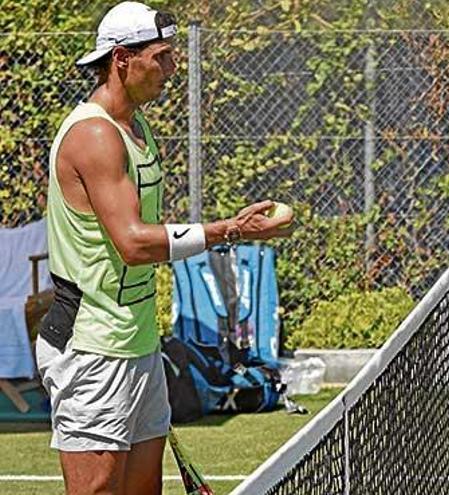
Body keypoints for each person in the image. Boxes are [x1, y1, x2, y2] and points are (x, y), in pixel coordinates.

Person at [34, 3, 292, 494]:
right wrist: (228, 231)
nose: (172, 69)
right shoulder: (94, 135)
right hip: (90, 346)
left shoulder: (136, 128)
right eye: (162, 57)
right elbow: (132, 243)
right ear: (122, 59)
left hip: (137, 340)